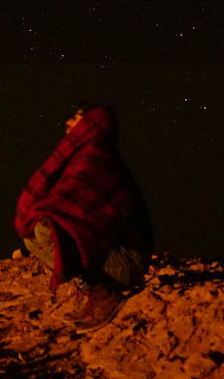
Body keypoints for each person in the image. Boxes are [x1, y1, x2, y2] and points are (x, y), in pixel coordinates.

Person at [14, 103, 153, 330]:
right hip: (110, 253)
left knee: (47, 229)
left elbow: (81, 213)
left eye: (75, 118)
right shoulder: (83, 158)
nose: (67, 123)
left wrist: (51, 216)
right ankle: (91, 290)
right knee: (33, 234)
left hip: (128, 263)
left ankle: (104, 294)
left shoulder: (98, 159)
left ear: (89, 124)